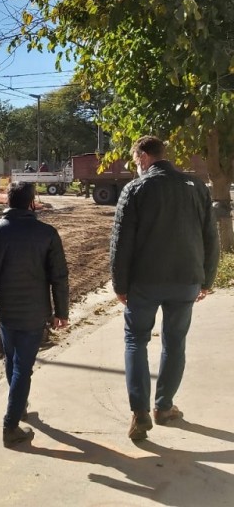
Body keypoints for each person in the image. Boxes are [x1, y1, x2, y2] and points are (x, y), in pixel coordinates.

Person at [111, 135, 219, 441]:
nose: (136, 168)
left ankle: (139, 414)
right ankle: (164, 406)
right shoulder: (196, 186)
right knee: (175, 343)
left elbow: (121, 242)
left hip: (144, 282)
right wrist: (207, 279)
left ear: (144, 157)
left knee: (136, 342)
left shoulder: (136, 189)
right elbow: (211, 236)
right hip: (186, 281)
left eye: (135, 162)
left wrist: (120, 284)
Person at [0, 182, 69, 448]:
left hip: (5, 310)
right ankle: (10, 426)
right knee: (22, 367)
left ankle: (19, 404)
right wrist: (61, 312)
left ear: (7, 202)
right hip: (35, 313)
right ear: (32, 202)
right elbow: (59, 277)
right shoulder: (47, 233)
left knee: (12, 360)